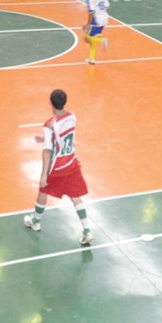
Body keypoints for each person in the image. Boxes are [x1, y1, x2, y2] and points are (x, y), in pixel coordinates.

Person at [23, 89, 95, 246]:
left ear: (50, 103)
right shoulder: (72, 116)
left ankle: (36, 221)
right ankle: (87, 230)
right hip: (72, 163)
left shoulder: (49, 125)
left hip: (57, 167)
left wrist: (43, 175)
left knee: (43, 190)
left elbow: (47, 151)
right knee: (75, 196)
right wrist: (46, 138)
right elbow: (65, 135)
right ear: (65, 102)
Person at [84, 0, 110, 64]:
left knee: (87, 38)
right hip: (105, 18)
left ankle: (103, 41)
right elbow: (107, 8)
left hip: (96, 20)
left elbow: (91, 12)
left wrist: (88, 24)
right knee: (92, 38)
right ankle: (92, 58)